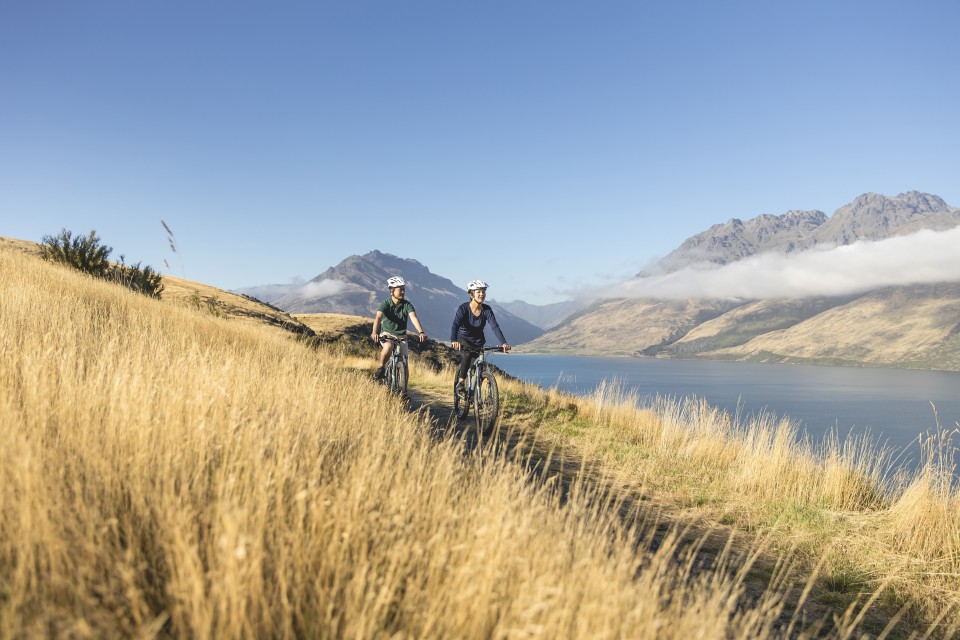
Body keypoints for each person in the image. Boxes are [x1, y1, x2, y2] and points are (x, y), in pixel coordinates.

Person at [450, 279, 510, 396]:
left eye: (483, 292)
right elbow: (455, 325)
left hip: (478, 341)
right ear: (471, 294)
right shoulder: (463, 309)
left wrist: (503, 343)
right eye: (479, 292)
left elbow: (495, 327)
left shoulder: (487, 310)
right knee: (467, 354)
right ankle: (461, 382)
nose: (482, 294)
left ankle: (478, 388)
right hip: (463, 339)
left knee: (478, 364)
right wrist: (454, 340)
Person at [371, 276, 427, 380]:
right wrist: (374, 332)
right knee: (388, 346)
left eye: (403, 289)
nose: (402, 292)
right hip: (387, 334)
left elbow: (413, 317)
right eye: (400, 289)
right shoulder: (386, 304)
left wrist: (421, 332)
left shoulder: (407, 305)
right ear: (392, 291)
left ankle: (404, 391)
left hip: (401, 336)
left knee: (404, 364)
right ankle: (381, 368)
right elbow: (378, 317)